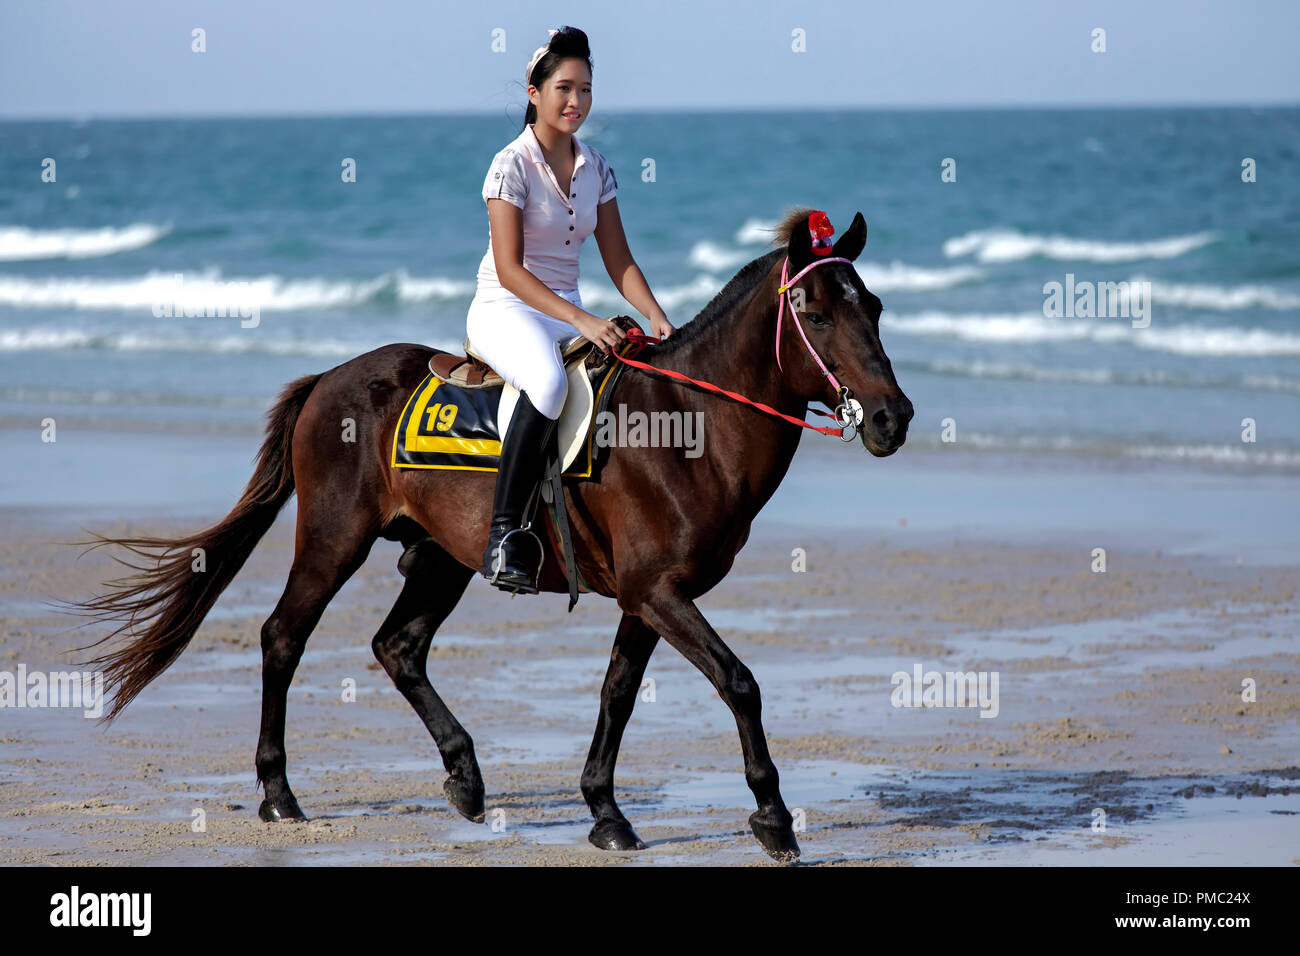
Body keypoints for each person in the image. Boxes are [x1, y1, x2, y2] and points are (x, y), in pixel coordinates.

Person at [468, 25, 675, 593]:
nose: (575, 101)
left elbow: (620, 260)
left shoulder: (597, 168)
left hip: (566, 309)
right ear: (534, 93)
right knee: (549, 384)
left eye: (585, 89)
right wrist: (584, 321)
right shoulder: (509, 166)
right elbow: (511, 269)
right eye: (563, 87)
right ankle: (504, 535)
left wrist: (658, 317)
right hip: (505, 306)